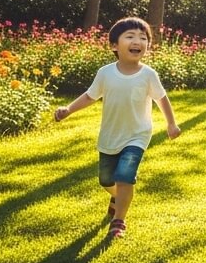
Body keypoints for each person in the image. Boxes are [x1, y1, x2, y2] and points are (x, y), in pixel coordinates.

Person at [54, 16, 181, 239]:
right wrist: (68, 110)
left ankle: (118, 220)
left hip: (137, 135)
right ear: (114, 45)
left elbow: (162, 99)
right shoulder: (105, 73)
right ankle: (117, 197)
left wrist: (171, 123)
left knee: (125, 176)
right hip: (110, 135)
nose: (138, 41)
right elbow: (90, 96)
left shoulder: (148, 75)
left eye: (143, 38)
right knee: (106, 180)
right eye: (130, 36)